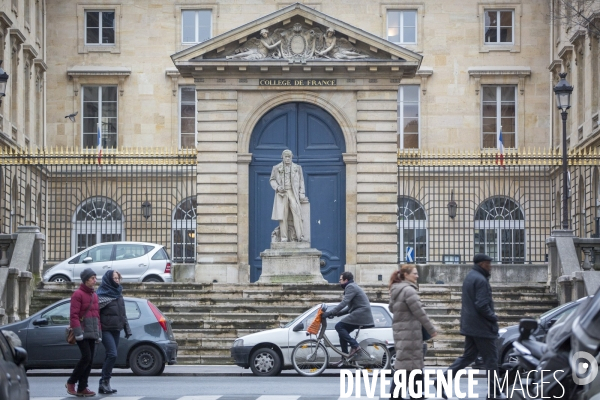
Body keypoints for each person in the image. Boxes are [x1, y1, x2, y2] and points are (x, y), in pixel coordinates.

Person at [437, 253, 501, 400]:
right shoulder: (481, 280)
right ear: (481, 264)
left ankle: (442, 381)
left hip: (471, 326)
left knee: (468, 357)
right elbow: (482, 305)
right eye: (488, 263)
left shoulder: (470, 277)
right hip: (482, 327)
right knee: (491, 360)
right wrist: (493, 317)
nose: (490, 266)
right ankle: (494, 393)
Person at [388, 265, 437, 400]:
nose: (417, 275)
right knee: (409, 365)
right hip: (410, 333)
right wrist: (431, 330)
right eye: (414, 273)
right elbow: (420, 312)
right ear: (406, 275)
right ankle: (400, 395)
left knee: (410, 364)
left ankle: (414, 394)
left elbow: (392, 308)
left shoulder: (396, 289)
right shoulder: (408, 291)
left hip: (401, 332)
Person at [322, 271, 374, 366]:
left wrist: (330, 312)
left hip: (361, 313)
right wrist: (336, 314)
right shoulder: (352, 286)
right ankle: (345, 358)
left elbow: (344, 303)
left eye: (340, 279)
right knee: (343, 332)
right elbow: (349, 308)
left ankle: (355, 346)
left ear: (346, 280)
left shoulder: (350, 287)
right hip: (360, 313)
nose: (339, 281)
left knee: (339, 326)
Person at [66, 268, 101, 397]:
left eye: (95, 278)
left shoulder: (94, 295)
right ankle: (71, 382)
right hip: (82, 331)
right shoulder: (78, 294)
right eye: (92, 278)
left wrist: (99, 333)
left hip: (92, 331)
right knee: (86, 357)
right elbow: (74, 315)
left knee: (90, 360)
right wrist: (78, 332)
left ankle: (82, 387)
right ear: (86, 280)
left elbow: (97, 316)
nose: (95, 280)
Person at [97, 269, 132, 394]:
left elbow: (122, 314)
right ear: (108, 279)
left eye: (118, 278)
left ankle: (105, 383)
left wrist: (127, 329)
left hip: (116, 329)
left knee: (110, 355)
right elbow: (95, 313)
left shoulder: (118, 293)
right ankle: (104, 381)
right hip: (105, 329)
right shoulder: (101, 295)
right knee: (112, 354)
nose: (117, 280)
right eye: (114, 278)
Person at [269, 149, 308, 242]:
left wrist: (301, 194)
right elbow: (272, 180)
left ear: (291, 157)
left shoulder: (297, 168)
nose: (287, 158)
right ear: (282, 157)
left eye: (289, 157)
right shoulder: (276, 167)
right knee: (283, 216)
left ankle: (300, 236)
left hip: (292, 192)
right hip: (282, 194)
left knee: (297, 213)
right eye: (285, 156)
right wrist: (277, 187)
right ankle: (284, 238)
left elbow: (301, 181)